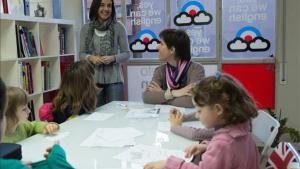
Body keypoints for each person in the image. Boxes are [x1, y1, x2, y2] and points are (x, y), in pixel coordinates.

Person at [144, 73, 260, 169]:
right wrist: (207, 146)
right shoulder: (242, 129)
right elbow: (230, 153)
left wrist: (169, 163)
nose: (197, 116)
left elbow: (223, 148)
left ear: (218, 109)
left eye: (199, 111)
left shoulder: (222, 145)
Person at [0, 78, 74, 169]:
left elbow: (35, 125)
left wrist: (48, 126)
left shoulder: (22, 126)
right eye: (24, 109)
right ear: (8, 115)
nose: (29, 111)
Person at [80, 0, 130, 106]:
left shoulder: (119, 27)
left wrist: (113, 58)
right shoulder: (86, 28)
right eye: (102, 5)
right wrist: (91, 58)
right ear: (95, 7)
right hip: (93, 81)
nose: (106, 9)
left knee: (117, 112)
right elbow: (81, 54)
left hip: (115, 80)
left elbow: (126, 54)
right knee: (97, 114)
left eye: (109, 6)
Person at [143, 29, 205, 108]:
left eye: (161, 44)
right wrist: (175, 93)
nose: (157, 47)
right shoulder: (160, 70)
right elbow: (147, 97)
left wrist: (162, 95)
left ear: (172, 50)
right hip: (164, 117)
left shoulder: (196, 69)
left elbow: (192, 101)